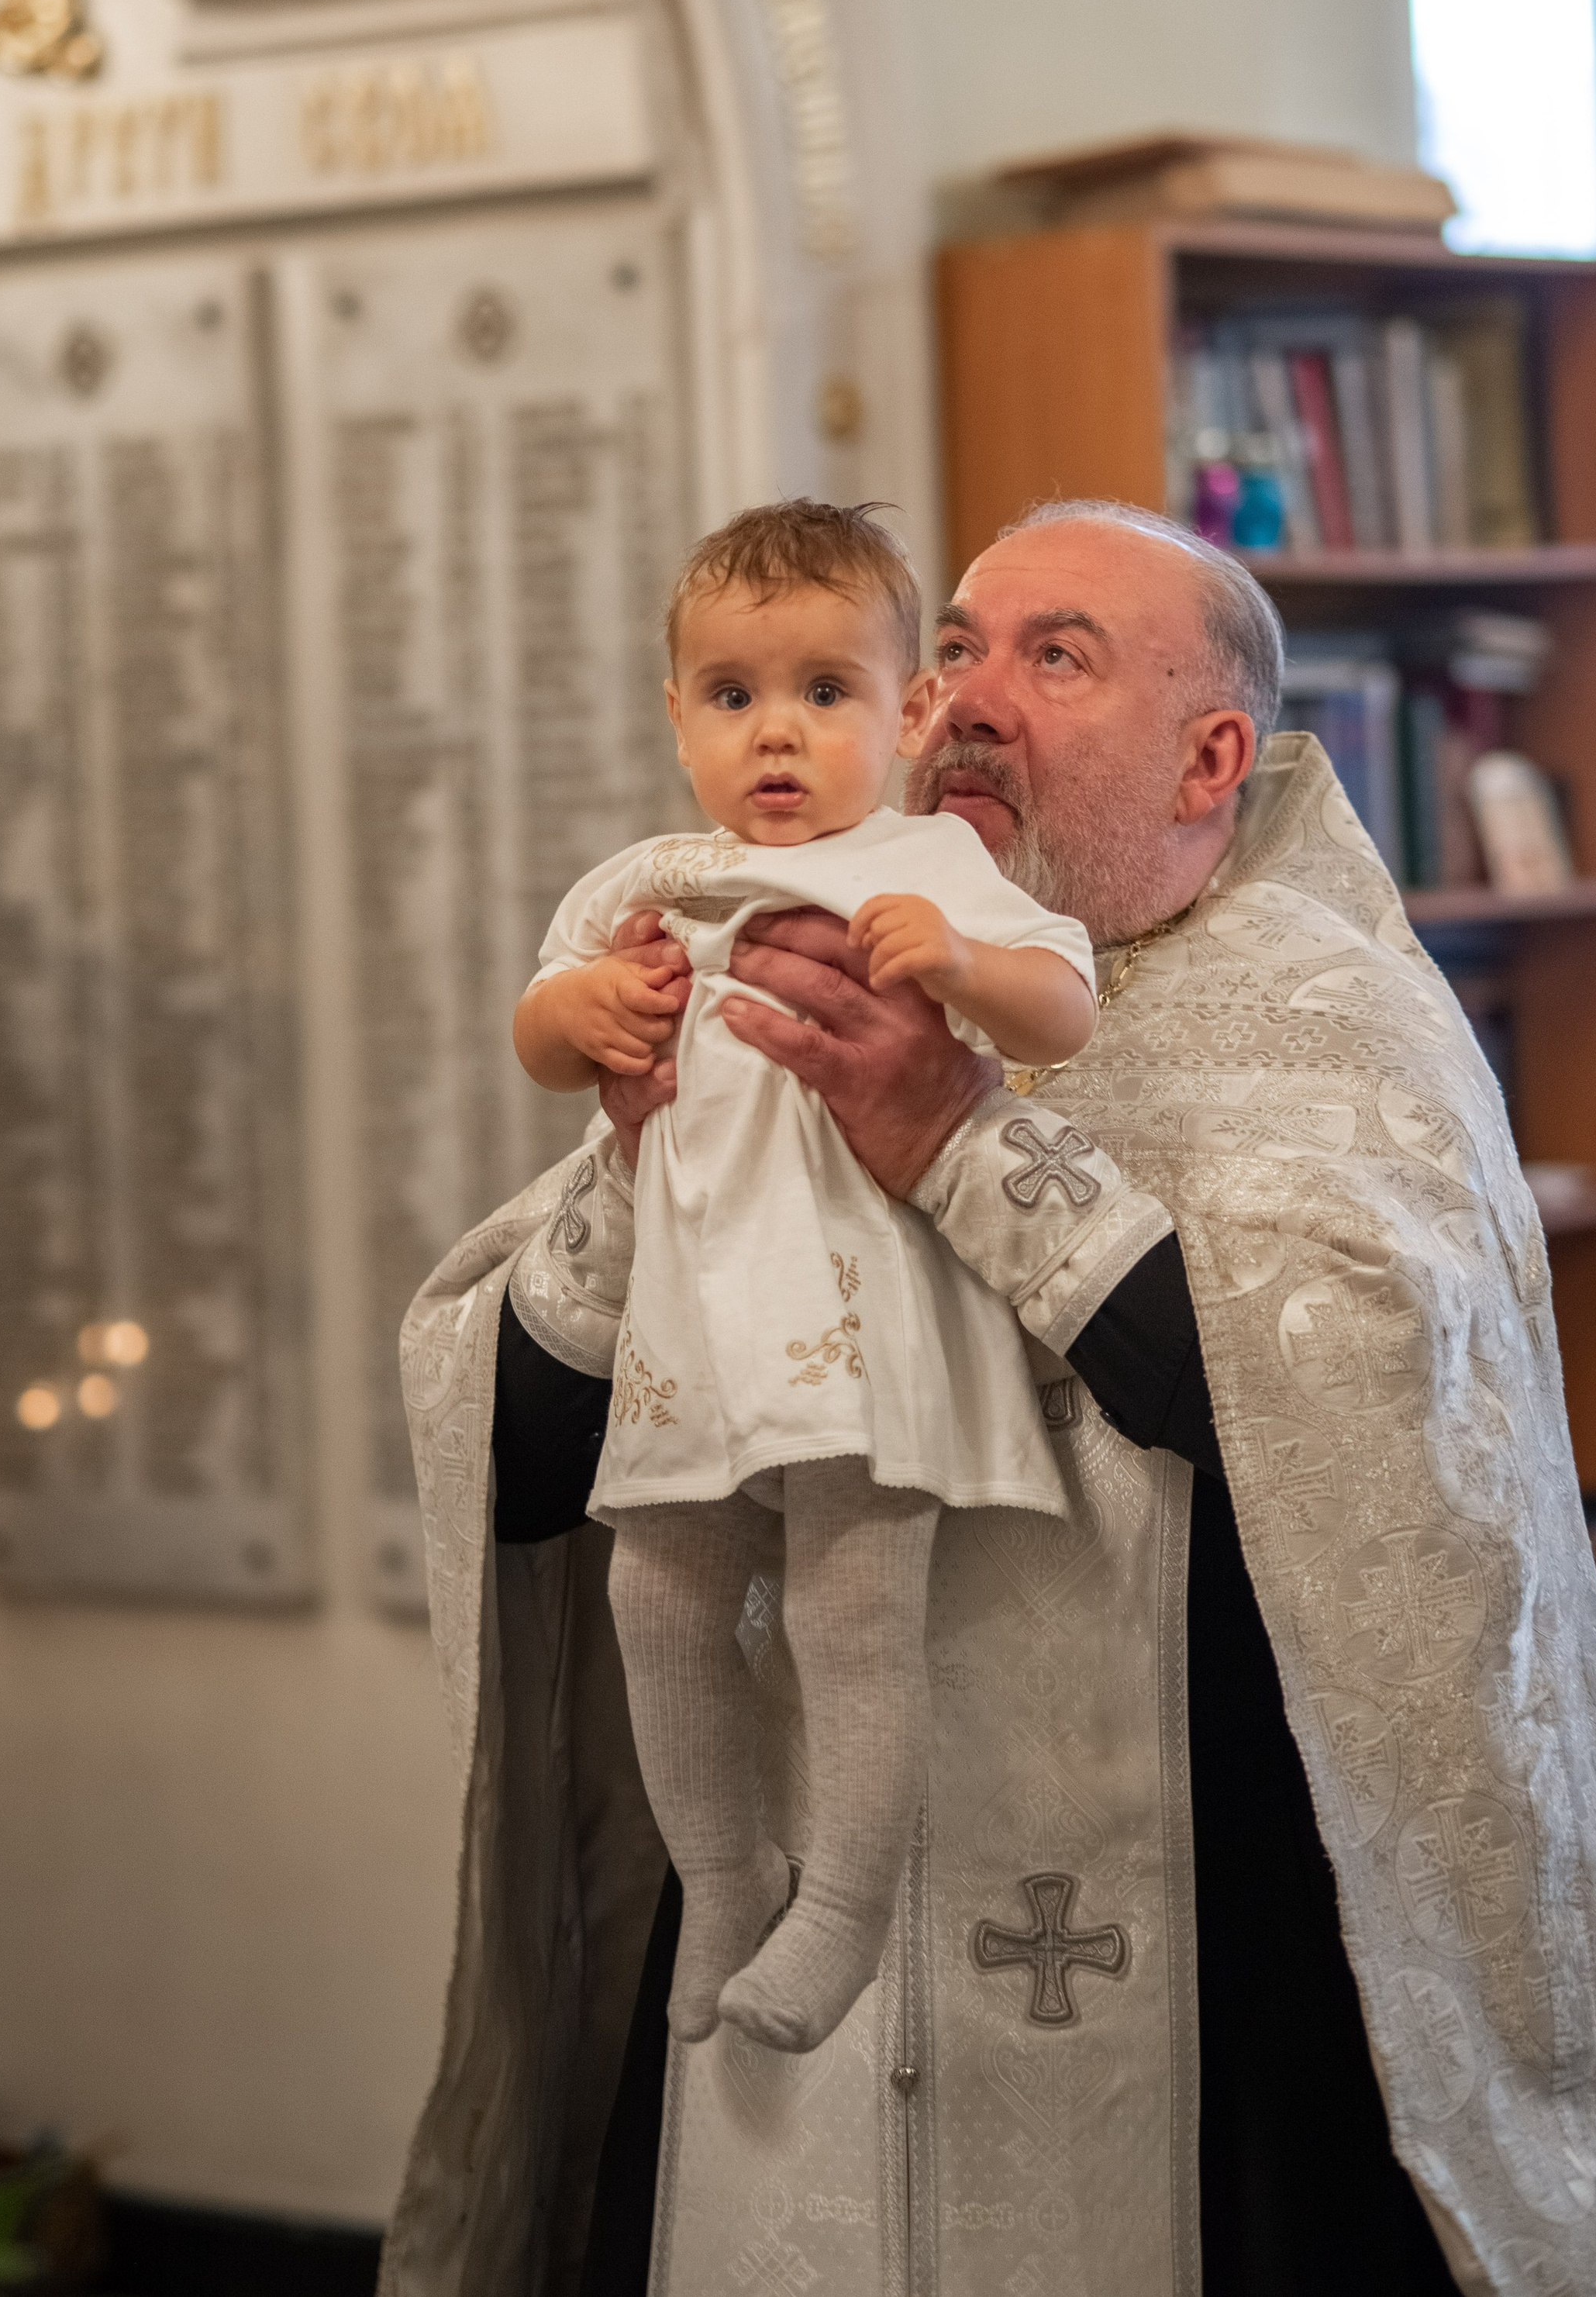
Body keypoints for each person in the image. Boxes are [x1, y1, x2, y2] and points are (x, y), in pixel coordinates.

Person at [387, 501, 1596, 2297]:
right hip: (778, 1996)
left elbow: (1360, 1470)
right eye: (953, 643)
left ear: (1208, 757)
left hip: (1201, 1957)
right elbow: (524, 1461)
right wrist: (639, 1172)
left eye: (1055, 656)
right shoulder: (765, 955)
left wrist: (954, 1139)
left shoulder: (1331, 1035)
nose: (967, 696)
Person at [513, 502, 1103, 2055]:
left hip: (860, 1319)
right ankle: (726, 1874)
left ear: (908, 714)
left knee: (852, 1615)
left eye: (824, 691)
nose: (775, 733)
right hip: (698, 1320)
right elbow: (535, 1033)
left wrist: (959, 965)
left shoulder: (924, 863)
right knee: (655, 1594)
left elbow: (1063, 1006)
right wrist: (590, 1011)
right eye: (733, 695)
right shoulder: (646, 881)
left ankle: (840, 1906)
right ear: (676, 716)